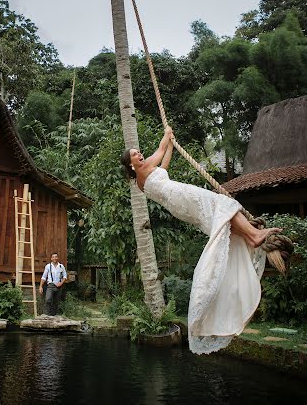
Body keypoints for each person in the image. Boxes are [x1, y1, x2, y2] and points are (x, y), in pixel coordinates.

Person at [120, 126, 282, 355]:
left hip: (177, 203)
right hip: (180, 195)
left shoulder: (143, 179)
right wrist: (166, 135)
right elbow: (160, 149)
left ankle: (248, 235)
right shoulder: (143, 170)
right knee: (222, 204)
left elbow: (163, 166)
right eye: (135, 154)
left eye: (138, 152)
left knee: (220, 216)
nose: (139, 154)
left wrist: (171, 144)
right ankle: (254, 235)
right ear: (130, 164)